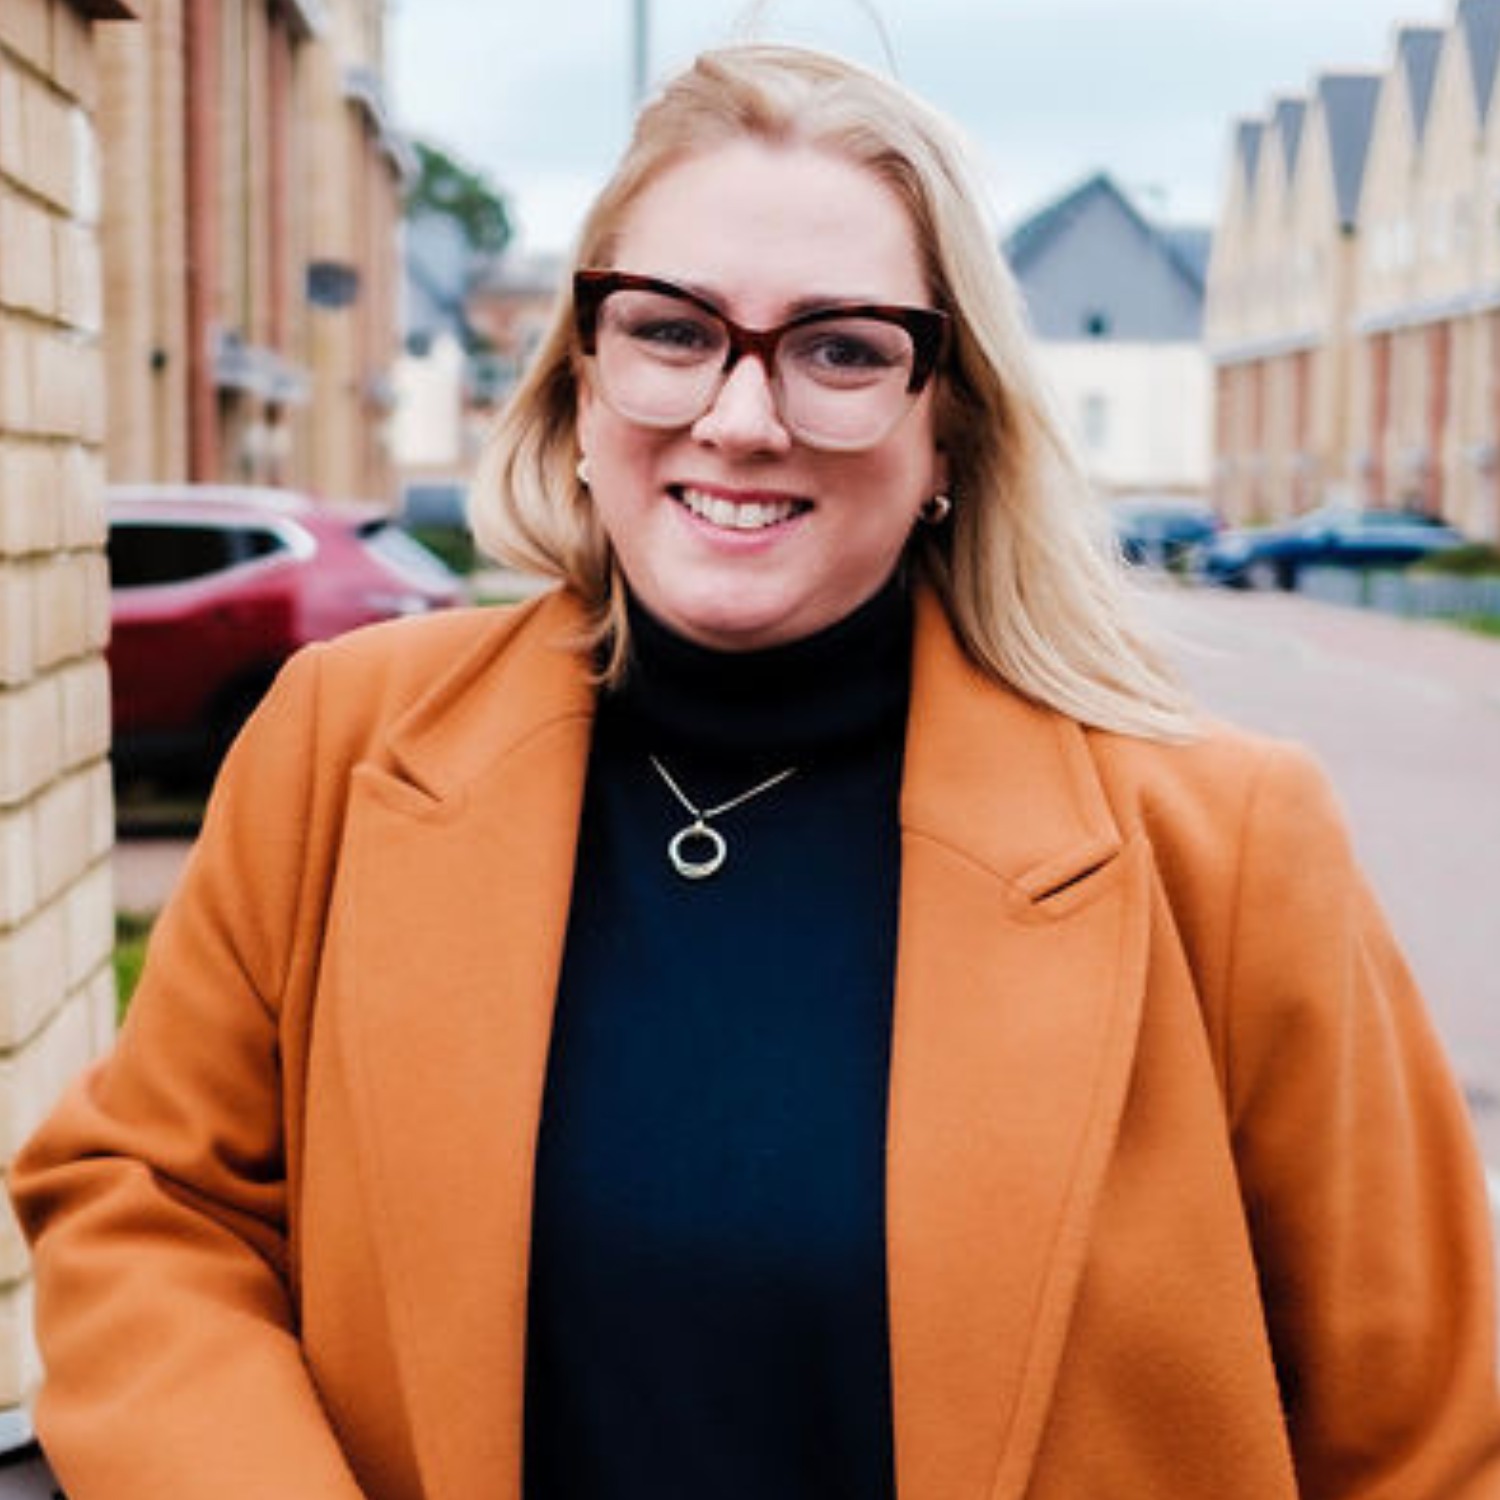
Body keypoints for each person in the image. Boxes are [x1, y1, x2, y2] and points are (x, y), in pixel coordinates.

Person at [10, 41, 1500, 1500]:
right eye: (672, 330)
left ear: (950, 430)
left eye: (842, 350)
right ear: (580, 383)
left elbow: (1429, 1440)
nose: (739, 416)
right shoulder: (344, 745)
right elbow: (151, 1204)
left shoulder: (1224, 846)